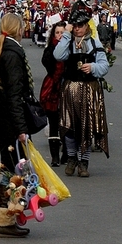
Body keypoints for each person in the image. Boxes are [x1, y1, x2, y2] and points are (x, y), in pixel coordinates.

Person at [0, 12, 32, 238]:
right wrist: (22, 129)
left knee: (9, 170)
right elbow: (15, 95)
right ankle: (6, 220)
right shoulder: (13, 53)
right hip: (12, 124)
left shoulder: (0, 50)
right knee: (14, 173)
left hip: (2, 122)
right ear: (18, 28)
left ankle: (6, 218)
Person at [53, 5, 109, 178]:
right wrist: (67, 34)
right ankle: (71, 158)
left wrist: (92, 67)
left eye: (80, 25)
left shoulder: (94, 43)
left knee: (86, 127)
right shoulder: (68, 42)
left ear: (87, 26)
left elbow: (104, 66)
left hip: (89, 89)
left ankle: (84, 162)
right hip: (70, 88)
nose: (77, 28)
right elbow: (58, 55)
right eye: (74, 25)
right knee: (69, 126)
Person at [39, 20, 67, 167]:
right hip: (52, 88)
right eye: (57, 33)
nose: (60, 35)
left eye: (62, 32)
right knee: (54, 122)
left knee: (67, 122)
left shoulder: (71, 48)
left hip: (66, 87)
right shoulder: (50, 49)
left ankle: (67, 153)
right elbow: (46, 62)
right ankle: (55, 156)